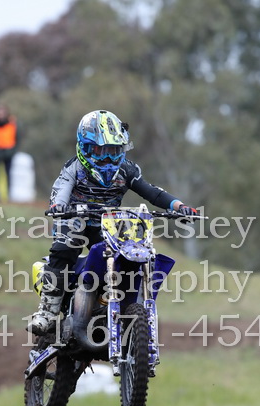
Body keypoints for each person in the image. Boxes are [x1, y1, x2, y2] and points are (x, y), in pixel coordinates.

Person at [27, 109, 197, 335]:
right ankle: (47, 312)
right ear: (86, 148)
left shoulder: (127, 170)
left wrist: (179, 206)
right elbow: (61, 191)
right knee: (65, 248)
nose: (108, 158)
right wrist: (58, 206)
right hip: (74, 219)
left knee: (126, 254)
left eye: (114, 151)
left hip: (106, 223)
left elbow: (152, 193)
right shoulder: (73, 169)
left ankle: (113, 303)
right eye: (101, 151)